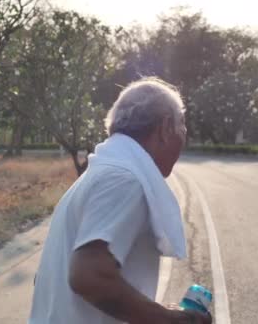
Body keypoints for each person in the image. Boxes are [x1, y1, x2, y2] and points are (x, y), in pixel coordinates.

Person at [28, 77, 211, 324]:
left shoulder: (103, 172)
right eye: (182, 126)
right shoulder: (124, 180)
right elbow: (89, 277)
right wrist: (170, 320)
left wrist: (150, 311)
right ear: (166, 128)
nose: (184, 135)